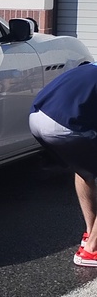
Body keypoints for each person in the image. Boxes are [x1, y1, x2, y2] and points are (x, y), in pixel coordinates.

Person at [29, 62, 97, 267]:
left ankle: (90, 232)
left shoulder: (91, 67)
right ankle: (92, 250)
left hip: (37, 117)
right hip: (65, 124)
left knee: (85, 170)